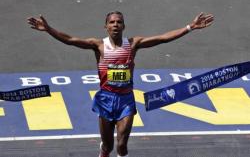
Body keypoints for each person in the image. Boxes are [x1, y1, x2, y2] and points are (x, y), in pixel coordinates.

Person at [27, 11, 214, 157]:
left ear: (124, 26)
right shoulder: (98, 45)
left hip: (126, 100)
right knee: (108, 146)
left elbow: (163, 38)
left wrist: (190, 27)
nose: (115, 24)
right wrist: (49, 29)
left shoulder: (133, 44)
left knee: (122, 145)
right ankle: (104, 150)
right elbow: (70, 40)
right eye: (112, 22)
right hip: (105, 99)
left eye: (119, 22)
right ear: (106, 26)